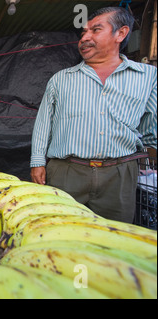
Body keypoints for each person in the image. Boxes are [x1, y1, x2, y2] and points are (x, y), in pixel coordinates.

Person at [30, 6, 157, 223]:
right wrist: (37, 162)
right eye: (83, 33)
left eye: (95, 30)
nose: (85, 38)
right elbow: (43, 125)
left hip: (118, 174)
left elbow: (149, 128)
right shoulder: (61, 79)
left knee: (113, 237)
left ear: (121, 33)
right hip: (67, 171)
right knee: (60, 230)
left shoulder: (148, 77)